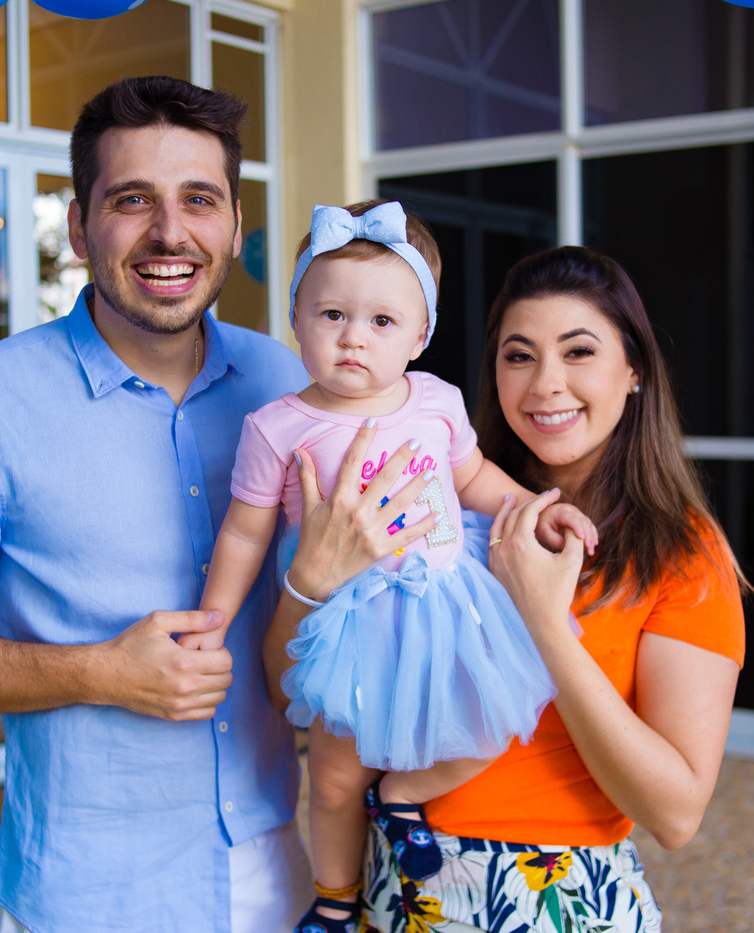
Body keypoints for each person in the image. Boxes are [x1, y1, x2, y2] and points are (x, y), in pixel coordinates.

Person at [0, 76, 317, 933]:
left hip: (274, 861)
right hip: (89, 891)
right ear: (78, 227)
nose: (170, 232)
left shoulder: (285, 380)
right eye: (132, 199)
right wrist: (100, 670)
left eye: (200, 199)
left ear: (234, 227)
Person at [271, 246, 747, 933]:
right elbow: (287, 689)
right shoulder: (435, 512)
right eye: (519, 355)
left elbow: (675, 815)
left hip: (561, 898)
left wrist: (546, 624)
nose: (546, 384)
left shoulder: (682, 552)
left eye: (578, 352)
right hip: (398, 888)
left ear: (634, 369)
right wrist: (309, 581)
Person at [195, 200, 594, 933]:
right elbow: (245, 535)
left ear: (420, 335)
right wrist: (212, 621)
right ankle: (335, 897)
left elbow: (474, 478)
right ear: (296, 320)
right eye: (332, 315)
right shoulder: (277, 427)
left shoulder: (436, 401)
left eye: (382, 321)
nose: (354, 337)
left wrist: (538, 507)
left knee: (495, 721)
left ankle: (404, 793)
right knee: (334, 776)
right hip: (350, 624)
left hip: (447, 604)